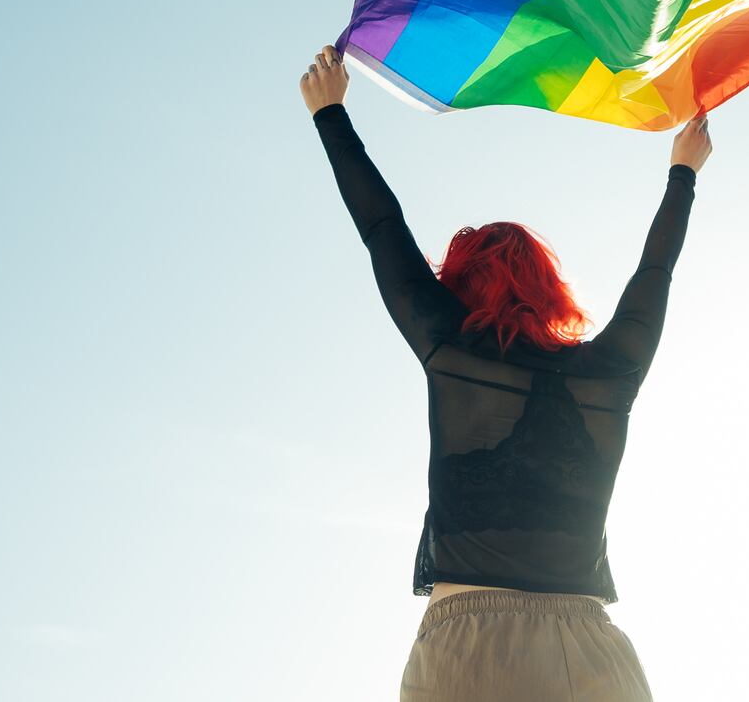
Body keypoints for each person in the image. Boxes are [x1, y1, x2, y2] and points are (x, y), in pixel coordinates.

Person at [301, 43, 711, 702]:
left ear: (458, 285)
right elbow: (653, 275)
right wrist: (682, 174)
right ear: (549, 289)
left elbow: (383, 228)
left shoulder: (449, 346)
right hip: (590, 652)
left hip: (467, 649)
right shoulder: (607, 373)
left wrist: (330, 115)